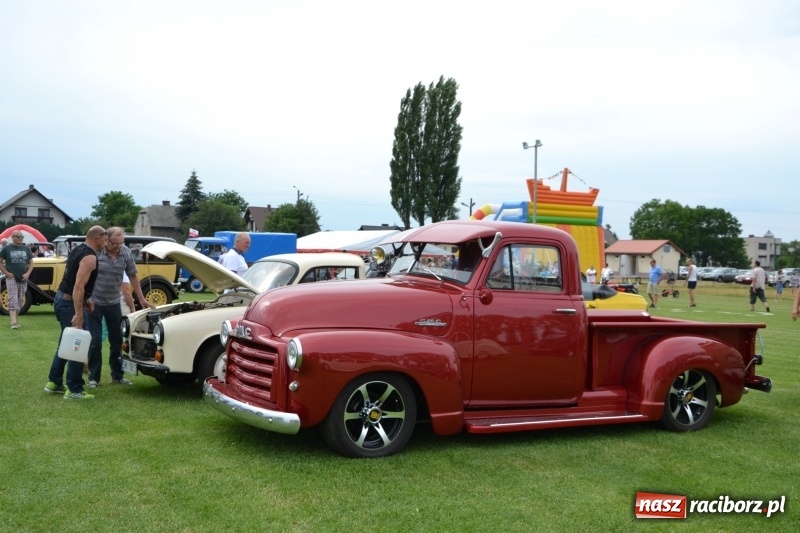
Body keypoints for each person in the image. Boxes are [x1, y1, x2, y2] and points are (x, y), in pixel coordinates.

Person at [44, 225, 107, 400]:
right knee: (77, 345)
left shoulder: (78, 249)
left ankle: (54, 382)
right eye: (105, 238)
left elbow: (72, 280)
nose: (106, 241)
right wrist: (78, 314)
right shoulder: (90, 257)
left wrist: (87, 298)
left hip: (62, 299)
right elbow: (78, 286)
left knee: (67, 341)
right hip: (68, 303)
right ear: (98, 238)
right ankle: (74, 389)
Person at [87, 227, 153, 388]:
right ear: (106, 239)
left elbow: (132, 275)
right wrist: (87, 297)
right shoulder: (97, 253)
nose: (118, 246)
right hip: (94, 302)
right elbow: (86, 275)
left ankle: (117, 375)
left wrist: (141, 298)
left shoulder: (125, 252)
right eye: (115, 243)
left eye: (121, 243)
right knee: (95, 341)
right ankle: (93, 378)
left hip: (114, 302)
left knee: (117, 341)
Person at [0, 231, 34, 329]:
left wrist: (27, 274)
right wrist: (7, 273)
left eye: (22, 236)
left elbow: (31, 263)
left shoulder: (26, 248)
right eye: (18, 236)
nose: (21, 238)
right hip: (12, 277)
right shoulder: (6, 249)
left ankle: (16, 320)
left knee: (20, 299)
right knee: (13, 298)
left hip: (23, 278)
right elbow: (0, 262)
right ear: (12, 237)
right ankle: (13, 322)